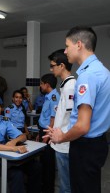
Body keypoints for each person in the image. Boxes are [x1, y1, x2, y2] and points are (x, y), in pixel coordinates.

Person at [45, 26, 110, 193]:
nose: (65, 51)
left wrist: (62, 137)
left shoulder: (87, 76)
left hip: (85, 146)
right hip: (98, 142)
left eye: (67, 46)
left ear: (79, 45)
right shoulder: (103, 71)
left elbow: (82, 126)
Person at [0, 96, 41, 193]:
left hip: (4, 153)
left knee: (36, 166)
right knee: (16, 173)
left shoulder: (4, 120)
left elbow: (23, 136)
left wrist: (13, 142)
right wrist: (12, 148)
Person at [47, 49, 76, 193]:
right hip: (60, 141)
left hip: (65, 145)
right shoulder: (65, 85)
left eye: (52, 65)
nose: (51, 68)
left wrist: (61, 135)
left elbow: (73, 119)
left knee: (66, 185)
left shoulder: (70, 87)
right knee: (64, 182)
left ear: (62, 66)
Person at [37, 73, 59, 193]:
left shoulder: (54, 97)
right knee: (43, 161)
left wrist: (45, 136)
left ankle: (48, 188)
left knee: (48, 162)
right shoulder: (48, 96)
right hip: (43, 131)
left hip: (48, 133)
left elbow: (53, 120)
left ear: (47, 84)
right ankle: (43, 185)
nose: (40, 86)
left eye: (41, 83)